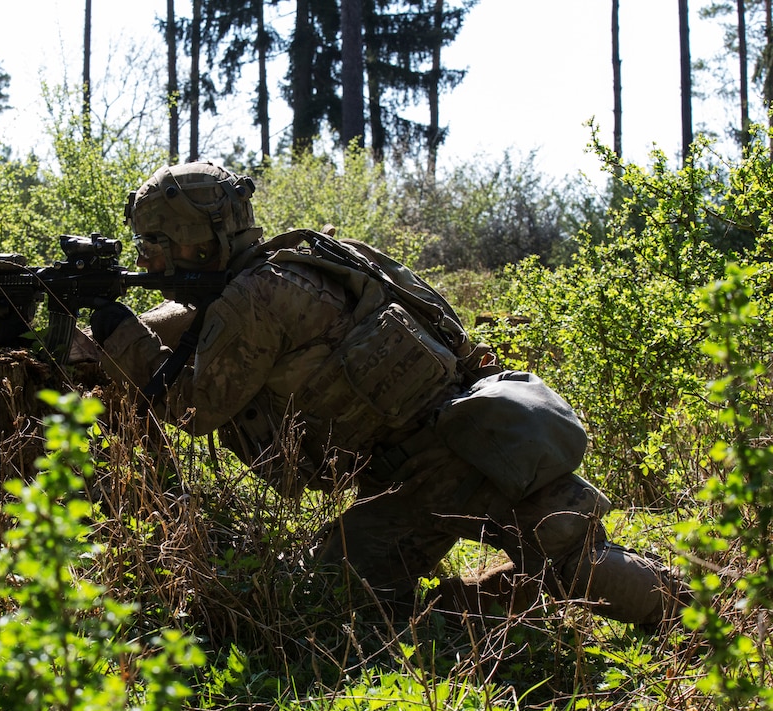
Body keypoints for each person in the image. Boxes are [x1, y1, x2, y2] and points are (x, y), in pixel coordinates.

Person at [89, 160, 687, 628]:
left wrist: (114, 329)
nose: (150, 258)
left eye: (158, 244)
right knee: (341, 588)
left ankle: (701, 615)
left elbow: (193, 408)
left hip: (465, 459)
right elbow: (200, 318)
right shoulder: (288, 266)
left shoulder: (253, 299)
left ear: (199, 240)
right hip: (430, 464)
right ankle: (481, 611)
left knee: (576, 567)